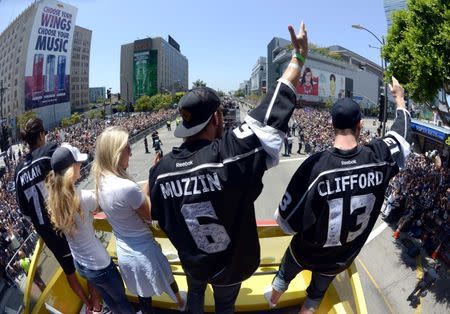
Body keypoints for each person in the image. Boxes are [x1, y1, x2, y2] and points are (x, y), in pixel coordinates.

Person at [148, 21, 308, 314]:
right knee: (224, 308)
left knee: (195, 299)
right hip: (230, 268)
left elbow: (156, 215)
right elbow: (270, 114)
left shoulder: (160, 172)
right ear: (217, 119)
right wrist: (298, 58)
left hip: (193, 263)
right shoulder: (232, 154)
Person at [267, 76, 412, 313]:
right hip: (339, 259)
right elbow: (402, 135)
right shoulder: (379, 156)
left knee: (284, 274)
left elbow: (286, 223)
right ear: (360, 124)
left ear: (332, 124)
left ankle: (272, 300)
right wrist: (399, 98)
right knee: (315, 296)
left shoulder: (316, 166)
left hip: (306, 252)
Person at [92, 127, 184, 314]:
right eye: (127, 148)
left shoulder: (100, 183)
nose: (131, 152)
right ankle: (181, 302)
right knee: (167, 277)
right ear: (116, 153)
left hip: (125, 250)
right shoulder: (126, 187)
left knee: (143, 293)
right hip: (145, 251)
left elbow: (133, 202)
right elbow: (151, 215)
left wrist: (151, 174)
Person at [14, 118, 100, 312]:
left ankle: (87, 304)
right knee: (91, 258)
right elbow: (69, 176)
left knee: (69, 270)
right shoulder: (50, 151)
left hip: (46, 230)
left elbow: (24, 210)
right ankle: (96, 302)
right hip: (65, 219)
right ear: (42, 134)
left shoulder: (19, 171)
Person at [46, 143, 135, 314]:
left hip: (81, 264)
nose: (81, 165)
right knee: (121, 300)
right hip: (100, 264)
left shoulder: (54, 200)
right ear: (71, 169)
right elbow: (108, 202)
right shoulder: (82, 197)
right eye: (78, 163)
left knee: (109, 298)